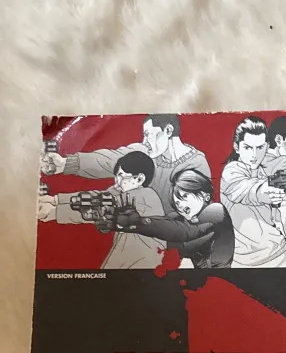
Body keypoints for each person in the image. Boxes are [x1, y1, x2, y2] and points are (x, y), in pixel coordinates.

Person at [40, 113, 210, 215]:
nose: (145, 141)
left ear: (168, 130)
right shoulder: (146, 151)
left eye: (148, 134)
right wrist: (64, 164)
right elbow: (109, 159)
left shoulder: (196, 164)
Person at [37, 151, 166, 269]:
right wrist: (56, 200)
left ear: (139, 179)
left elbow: (99, 208)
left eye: (121, 176)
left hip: (141, 266)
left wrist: (55, 212)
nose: (117, 182)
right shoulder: (128, 194)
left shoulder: (145, 196)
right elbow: (97, 197)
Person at [219, 115, 286, 267]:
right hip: (250, 260)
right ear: (237, 147)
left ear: (266, 147)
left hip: (275, 249)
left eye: (259, 148)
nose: (254, 155)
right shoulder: (231, 172)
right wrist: (264, 191)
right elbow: (248, 189)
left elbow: (272, 217)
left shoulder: (262, 173)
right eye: (248, 148)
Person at [113, 169, 235, 269]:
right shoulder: (181, 219)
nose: (180, 205)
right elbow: (165, 223)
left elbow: (186, 234)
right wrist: (130, 223)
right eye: (176, 203)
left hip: (222, 280)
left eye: (185, 196)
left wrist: (140, 223)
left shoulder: (216, 211)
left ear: (205, 196)